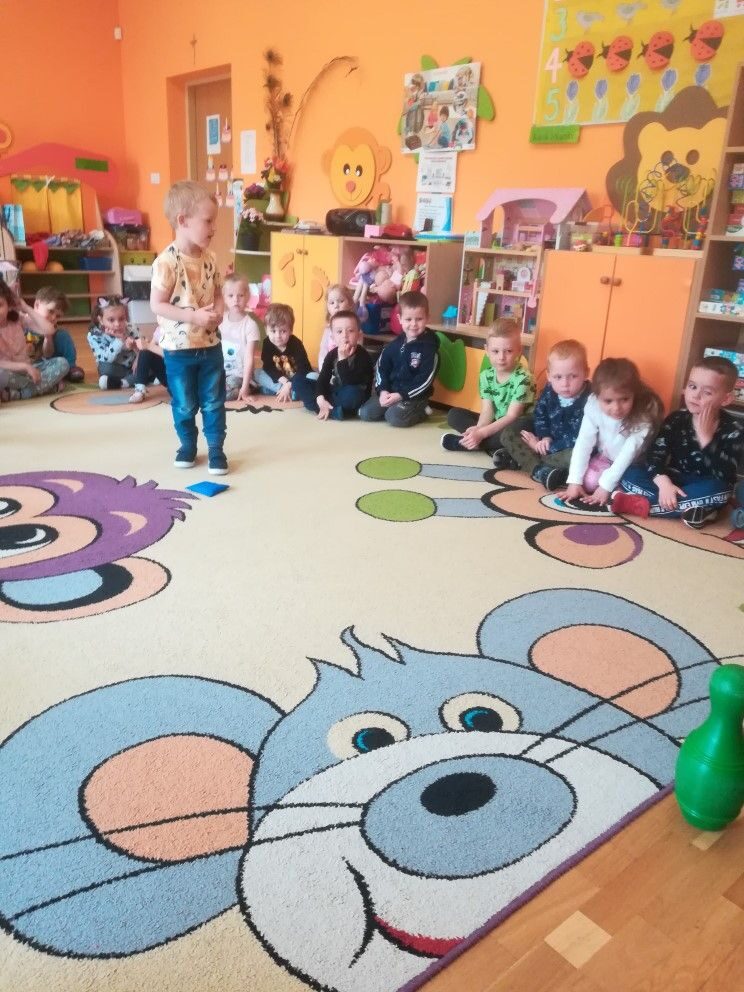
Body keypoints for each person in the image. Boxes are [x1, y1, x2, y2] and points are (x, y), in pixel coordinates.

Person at [612, 356, 744, 529]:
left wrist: (706, 439)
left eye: (707, 392)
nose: (696, 395)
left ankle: (641, 505)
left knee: (721, 491)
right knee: (629, 472)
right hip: (673, 479)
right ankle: (696, 509)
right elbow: (655, 454)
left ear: (725, 399)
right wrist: (662, 481)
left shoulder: (734, 429)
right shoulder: (676, 419)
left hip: (705, 485)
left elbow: (724, 474)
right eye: (692, 386)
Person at [150, 181, 227, 474]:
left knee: (214, 402)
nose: (213, 228)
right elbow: (157, 305)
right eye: (208, 221)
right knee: (184, 404)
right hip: (178, 350)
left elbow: (218, 292)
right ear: (182, 221)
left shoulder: (211, 258)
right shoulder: (166, 262)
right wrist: (193, 317)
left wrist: (219, 311)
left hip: (210, 346)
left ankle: (216, 449)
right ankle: (187, 445)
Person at [561, 357, 662, 509]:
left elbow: (629, 452)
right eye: (608, 401)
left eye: (624, 399)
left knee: (633, 482)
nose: (616, 408)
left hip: (635, 463)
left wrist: (605, 487)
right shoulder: (593, 405)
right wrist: (574, 482)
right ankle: (616, 490)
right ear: (597, 396)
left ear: (634, 394)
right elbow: (584, 443)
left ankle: (621, 494)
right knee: (589, 482)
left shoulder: (644, 412)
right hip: (606, 458)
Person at [498, 339, 591, 490]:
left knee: (578, 457)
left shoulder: (590, 400)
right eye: (558, 377)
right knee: (509, 432)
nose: (565, 384)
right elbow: (540, 414)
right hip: (545, 440)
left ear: (586, 373)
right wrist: (544, 437)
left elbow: (577, 436)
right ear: (549, 375)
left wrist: (543, 447)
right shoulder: (549, 389)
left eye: (573, 376)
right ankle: (540, 469)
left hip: (566, 447)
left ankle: (526, 460)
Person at [441, 318, 535, 454]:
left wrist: (482, 433)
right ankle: (485, 443)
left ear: (519, 350)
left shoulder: (524, 378)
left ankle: (467, 443)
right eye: (495, 351)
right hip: (495, 422)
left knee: (521, 427)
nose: (501, 357)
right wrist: (479, 428)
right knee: (454, 414)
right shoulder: (486, 375)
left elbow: (512, 416)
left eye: (508, 351)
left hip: (515, 423)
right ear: (487, 350)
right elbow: (487, 410)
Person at [358, 289, 439, 428]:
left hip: (414, 396)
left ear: (427, 318)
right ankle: (393, 407)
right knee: (365, 413)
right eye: (408, 319)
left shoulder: (429, 349)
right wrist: (383, 391)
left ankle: (421, 410)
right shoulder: (394, 345)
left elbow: (424, 381)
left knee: (393, 417)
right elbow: (382, 368)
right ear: (400, 319)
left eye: (419, 319)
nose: (413, 324)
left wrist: (401, 395)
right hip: (391, 392)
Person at [293, 309, 374, 420]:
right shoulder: (332, 354)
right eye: (339, 332)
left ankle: (326, 409)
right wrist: (320, 397)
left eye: (350, 331)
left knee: (353, 394)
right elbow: (323, 378)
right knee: (298, 380)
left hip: (353, 393)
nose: (345, 335)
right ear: (332, 337)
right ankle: (327, 407)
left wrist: (342, 359)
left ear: (358, 335)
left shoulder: (363, 355)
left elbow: (350, 382)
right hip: (335, 391)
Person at [0, 280, 69, 401]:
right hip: (10, 373)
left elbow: (49, 330)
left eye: (0, 305)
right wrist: (25, 367)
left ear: (8, 305)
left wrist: (26, 308)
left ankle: (16, 394)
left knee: (63, 363)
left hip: (29, 373)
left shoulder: (18, 319)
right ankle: (46, 388)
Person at [255, 303, 311, 403]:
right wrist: (285, 382)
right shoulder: (267, 343)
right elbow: (268, 367)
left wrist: (289, 384)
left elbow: (303, 369)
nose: (278, 336)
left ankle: (281, 390)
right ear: (266, 330)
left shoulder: (296, 344)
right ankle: (287, 391)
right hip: (280, 379)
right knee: (257, 373)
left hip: (296, 377)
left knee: (313, 375)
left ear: (290, 331)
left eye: (283, 331)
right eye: (273, 331)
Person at [219, 272, 260, 401]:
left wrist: (245, 386)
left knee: (222, 392)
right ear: (224, 297)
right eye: (231, 296)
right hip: (221, 373)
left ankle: (248, 387)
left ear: (247, 296)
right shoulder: (220, 320)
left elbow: (249, 358)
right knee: (205, 387)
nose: (235, 300)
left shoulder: (250, 325)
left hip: (240, 376)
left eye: (240, 295)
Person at [31, 287, 85, 382]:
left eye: (58, 316)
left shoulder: (54, 329)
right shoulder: (22, 324)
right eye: (50, 311)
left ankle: (70, 368)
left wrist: (48, 338)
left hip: (48, 364)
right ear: (37, 305)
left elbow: (47, 354)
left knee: (63, 335)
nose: (53, 318)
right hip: (28, 366)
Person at [87, 295, 139, 390]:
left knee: (150, 360)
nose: (117, 324)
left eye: (121, 319)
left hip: (134, 366)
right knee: (105, 368)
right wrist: (119, 340)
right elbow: (105, 359)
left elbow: (142, 350)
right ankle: (135, 379)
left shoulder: (131, 328)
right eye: (111, 320)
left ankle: (123, 383)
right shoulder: (95, 335)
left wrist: (138, 358)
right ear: (100, 320)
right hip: (115, 368)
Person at [318, 284, 355, 369]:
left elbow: (358, 351)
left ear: (349, 303)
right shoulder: (328, 329)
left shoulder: (354, 327)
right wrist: (323, 368)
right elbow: (323, 350)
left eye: (341, 301)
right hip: (330, 368)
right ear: (327, 307)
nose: (336, 306)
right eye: (332, 303)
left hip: (348, 368)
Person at [129, 326, 167, 403]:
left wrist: (148, 346)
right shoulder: (160, 329)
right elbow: (149, 350)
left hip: (181, 376)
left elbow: (174, 355)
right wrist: (138, 356)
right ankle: (140, 389)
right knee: (146, 351)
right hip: (167, 374)